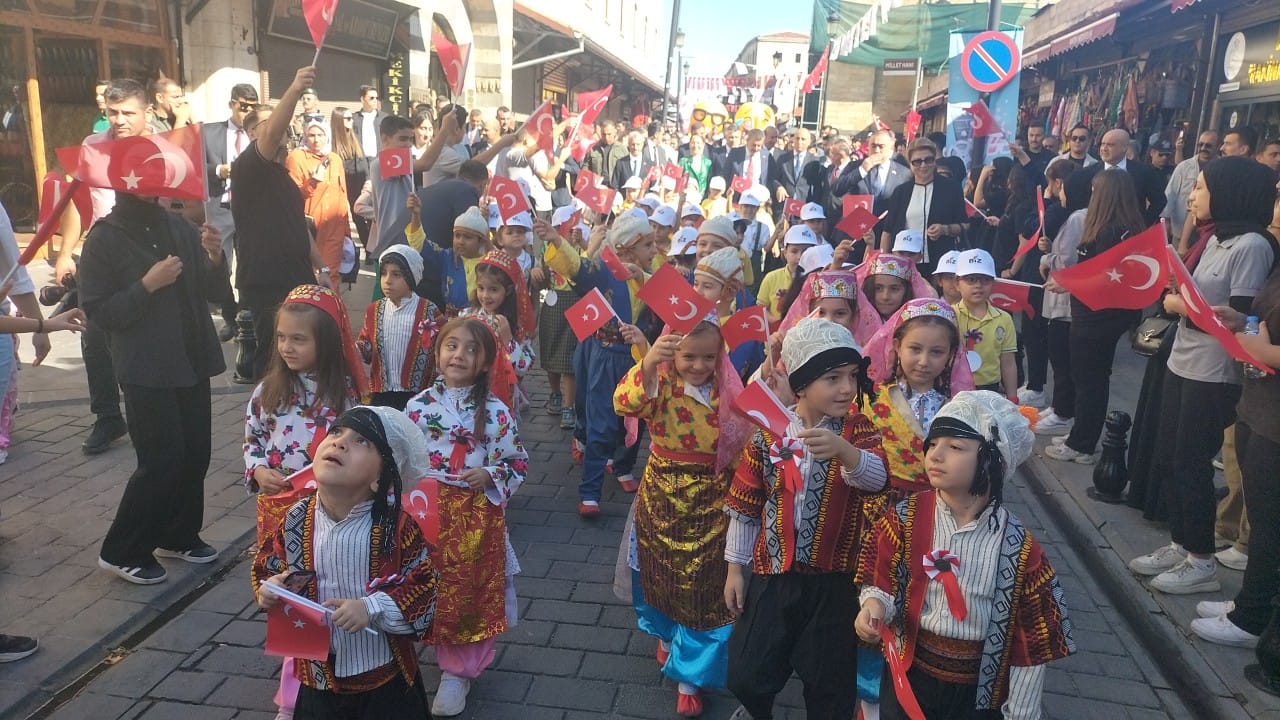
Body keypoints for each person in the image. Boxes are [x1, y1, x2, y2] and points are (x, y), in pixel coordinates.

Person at [79, 82, 233, 583]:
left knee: (195, 454)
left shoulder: (178, 227)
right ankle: (124, 548)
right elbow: (98, 311)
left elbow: (213, 288)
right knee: (161, 460)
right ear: (122, 179)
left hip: (189, 356)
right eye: (138, 173)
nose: (150, 181)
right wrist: (146, 285)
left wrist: (213, 256)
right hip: (146, 365)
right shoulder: (105, 238)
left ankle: (178, 533)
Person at [855, 391, 1076, 720]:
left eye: (955, 447)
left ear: (992, 461)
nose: (935, 455)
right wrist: (874, 606)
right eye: (932, 444)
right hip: (910, 674)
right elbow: (881, 573)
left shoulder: (1019, 548)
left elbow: (1031, 642)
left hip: (978, 693)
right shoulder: (905, 519)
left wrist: (1022, 712)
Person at [722, 317, 888, 720]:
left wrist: (846, 452)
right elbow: (746, 503)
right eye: (832, 378)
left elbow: (877, 479)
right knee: (747, 672)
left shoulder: (858, 430)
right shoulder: (769, 434)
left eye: (851, 376)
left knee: (829, 685)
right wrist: (734, 569)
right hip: (773, 575)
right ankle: (757, 709)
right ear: (800, 384)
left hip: (834, 582)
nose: (847, 388)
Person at [1128, 156, 1276, 595]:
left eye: (1202, 188)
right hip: (1182, 361)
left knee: (1191, 462)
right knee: (1170, 457)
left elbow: (1240, 319)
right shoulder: (1215, 238)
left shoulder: (1251, 246)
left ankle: (1200, 561)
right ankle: (1182, 542)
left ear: (1231, 194)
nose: (1192, 196)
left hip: (1213, 374)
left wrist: (1178, 305)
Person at [252, 405, 439, 719]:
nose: (339, 443)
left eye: (361, 441)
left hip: (383, 676)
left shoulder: (397, 527)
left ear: (380, 478)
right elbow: (269, 564)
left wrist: (370, 607)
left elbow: (424, 586)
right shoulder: (296, 519)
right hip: (317, 675)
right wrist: (269, 590)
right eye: (336, 432)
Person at [613, 318, 750, 717]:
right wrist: (649, 362)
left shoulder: (728, 387)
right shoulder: (660, 382)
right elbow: (624, 402)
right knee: (661, 570)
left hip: (713, 497)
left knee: (706, 585)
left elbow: (748, 432)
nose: (698, 365)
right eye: (688, 356)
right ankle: (667, 632)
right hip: (663, 495)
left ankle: (691, 675)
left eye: (709, 357)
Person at [243, 284, 364, 719]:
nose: (287, 347)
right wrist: (257, 471)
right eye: (281, 337)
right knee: (288, 595)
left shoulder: (344, 395)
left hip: (326, 513)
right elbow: (253, 441)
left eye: (299, 338)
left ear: (325, 342)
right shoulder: (267, 391)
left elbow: (357, 451)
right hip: (278, 510)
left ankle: (335, 674)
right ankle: (292, 694)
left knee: (323, 591)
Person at [404, 317, 529, 717]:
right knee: (425, 582)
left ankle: (458, 671)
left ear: (485, 361)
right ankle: (414, 645)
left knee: (468, 589)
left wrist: (490, 473)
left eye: (471, 349)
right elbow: (401, 457)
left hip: (475, 515)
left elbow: (517, 462)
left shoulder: (496, 412)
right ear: (438, 352)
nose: (459, 355)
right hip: (426, 512)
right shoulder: (418, 406)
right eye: (451, 345)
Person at [1191, 201, 1280, 646]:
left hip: (1275, 420)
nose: (1275, 205)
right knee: (1262, 514)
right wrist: (1241, 321)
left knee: (1270, 522)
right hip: (1257, 405)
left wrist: (1261, 350)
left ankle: (1253, 617)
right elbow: (1263, 321)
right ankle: (1253, 601)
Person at [539, 214, 656, 515]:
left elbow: (670, 301)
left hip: (638, 358)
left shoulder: (649, 275)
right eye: (648, 245)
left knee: (636, 417)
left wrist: (641, 276)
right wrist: (556, 239)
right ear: (627, 249)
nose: (654, 251)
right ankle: (590, 491)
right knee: (602, 421)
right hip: (606, 356)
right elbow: (577, 268)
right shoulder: (603, 271)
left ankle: (623, 465)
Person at [1041, 170, 1147, 464]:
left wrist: (1069, 283)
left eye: (1094, 190)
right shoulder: (1125, 227)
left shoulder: (1111, 231)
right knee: (1091, 377)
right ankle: (1082, 432)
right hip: (1102, 314)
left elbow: (1106, 276)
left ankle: (1083, 443)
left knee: (1089, 379)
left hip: (1096, 316)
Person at [230, 68, 328, 382]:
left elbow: (298, 225)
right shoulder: (247, 167)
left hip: (296, 274)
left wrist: (322, 269)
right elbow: (271, 135)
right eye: (271, 123)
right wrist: (296, 88)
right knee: (274, 355)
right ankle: (266, 418)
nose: (281, 128)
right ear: (252, 133)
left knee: (300, 353)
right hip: (266, 279)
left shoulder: (283, 175)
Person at [862, 297, 975, 499]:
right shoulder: (870, 400)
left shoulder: (959, 409)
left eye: (936, 352)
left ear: (951, 354)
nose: (924, 361)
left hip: (936, 507)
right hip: (874, 504)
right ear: (897, 346)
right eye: (915, 349)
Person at [357, 245, 444, 410]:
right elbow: (366, 346)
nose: (387, 280)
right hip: (381, 393)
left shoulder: (429, 310)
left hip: (418, 395)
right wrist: (354, 350)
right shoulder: (374, 310)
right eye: (383, 273)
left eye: (396, 275)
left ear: (412, 277)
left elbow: (441, 346)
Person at [1035, 159, 1086, 437]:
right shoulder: (1075, 215)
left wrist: (1047, 256)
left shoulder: (1078, 217)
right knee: (1060, 357)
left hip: (1064, 298)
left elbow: (1066, 260)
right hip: (1061, 296)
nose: (1057, 190)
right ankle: (1059, 406)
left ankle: (1063, 411)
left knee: (1061, 357)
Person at [880, 138, 967, 276]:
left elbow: (964, 225)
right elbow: (888, 230)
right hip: (904, 262)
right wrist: (884, 262)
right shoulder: (900, 192)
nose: (923, 165)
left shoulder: (951, 188)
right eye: (917, 161)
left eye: (929, 160)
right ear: (910, 164)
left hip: (940, 261)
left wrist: (945, 229)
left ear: (935, 161)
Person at [465, 250, 537, 409]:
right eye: (481, 288)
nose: (485, 295)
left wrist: (509, 340)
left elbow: (523, 367)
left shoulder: (516, 326)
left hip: (502, 397)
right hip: (469, 391)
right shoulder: (466, 317)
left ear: (509, 291)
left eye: (493, 289)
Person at [287, 121, 351, 291]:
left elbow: (342, 194)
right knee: (309, 274)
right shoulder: (296, 158)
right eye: (312, 135)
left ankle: (332, 312)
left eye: (320, 135)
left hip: (334, 227)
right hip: (310, 228)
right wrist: (312, 182)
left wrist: (346, 232)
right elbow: (292, 197)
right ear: (305, 137)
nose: (316, 140)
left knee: (331, 274)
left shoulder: (334, 158)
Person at [539, 210, 588, 430]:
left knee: (569, 359)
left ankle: (569, 405)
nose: (569, 234)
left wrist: (586, 244)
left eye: (573, 229)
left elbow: (590, 269)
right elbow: (542, 277)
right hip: (553, 304)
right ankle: (555, 392)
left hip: (576, 305)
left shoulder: (582, 251)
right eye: (564, 229)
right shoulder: (546, 249)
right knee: (550, 353)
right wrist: (535, 273)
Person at [952, 249, 1018, 399]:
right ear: (957, 283)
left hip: (990, 389)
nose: (978, 285)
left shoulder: (1004, 319)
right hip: (955, 387)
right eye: (971, 279)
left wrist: (1012, 397)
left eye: (985, 280)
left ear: (993, 283)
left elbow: (1008, 362)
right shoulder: (949, 315)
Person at [757, 225, 818, 323]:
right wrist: (779, 322)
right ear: (785, 252)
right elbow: (760, 308)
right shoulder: (771, 278)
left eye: (806, 251)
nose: (800, 257)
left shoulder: (819, 280)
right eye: (794, 251)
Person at [351, 85, 388, 165]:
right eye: (371, 98)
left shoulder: (384, 118)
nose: (375, 101)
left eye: (376, 98)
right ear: (362, 99)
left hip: (380, 160)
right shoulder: (354, 118)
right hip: (360, 161)